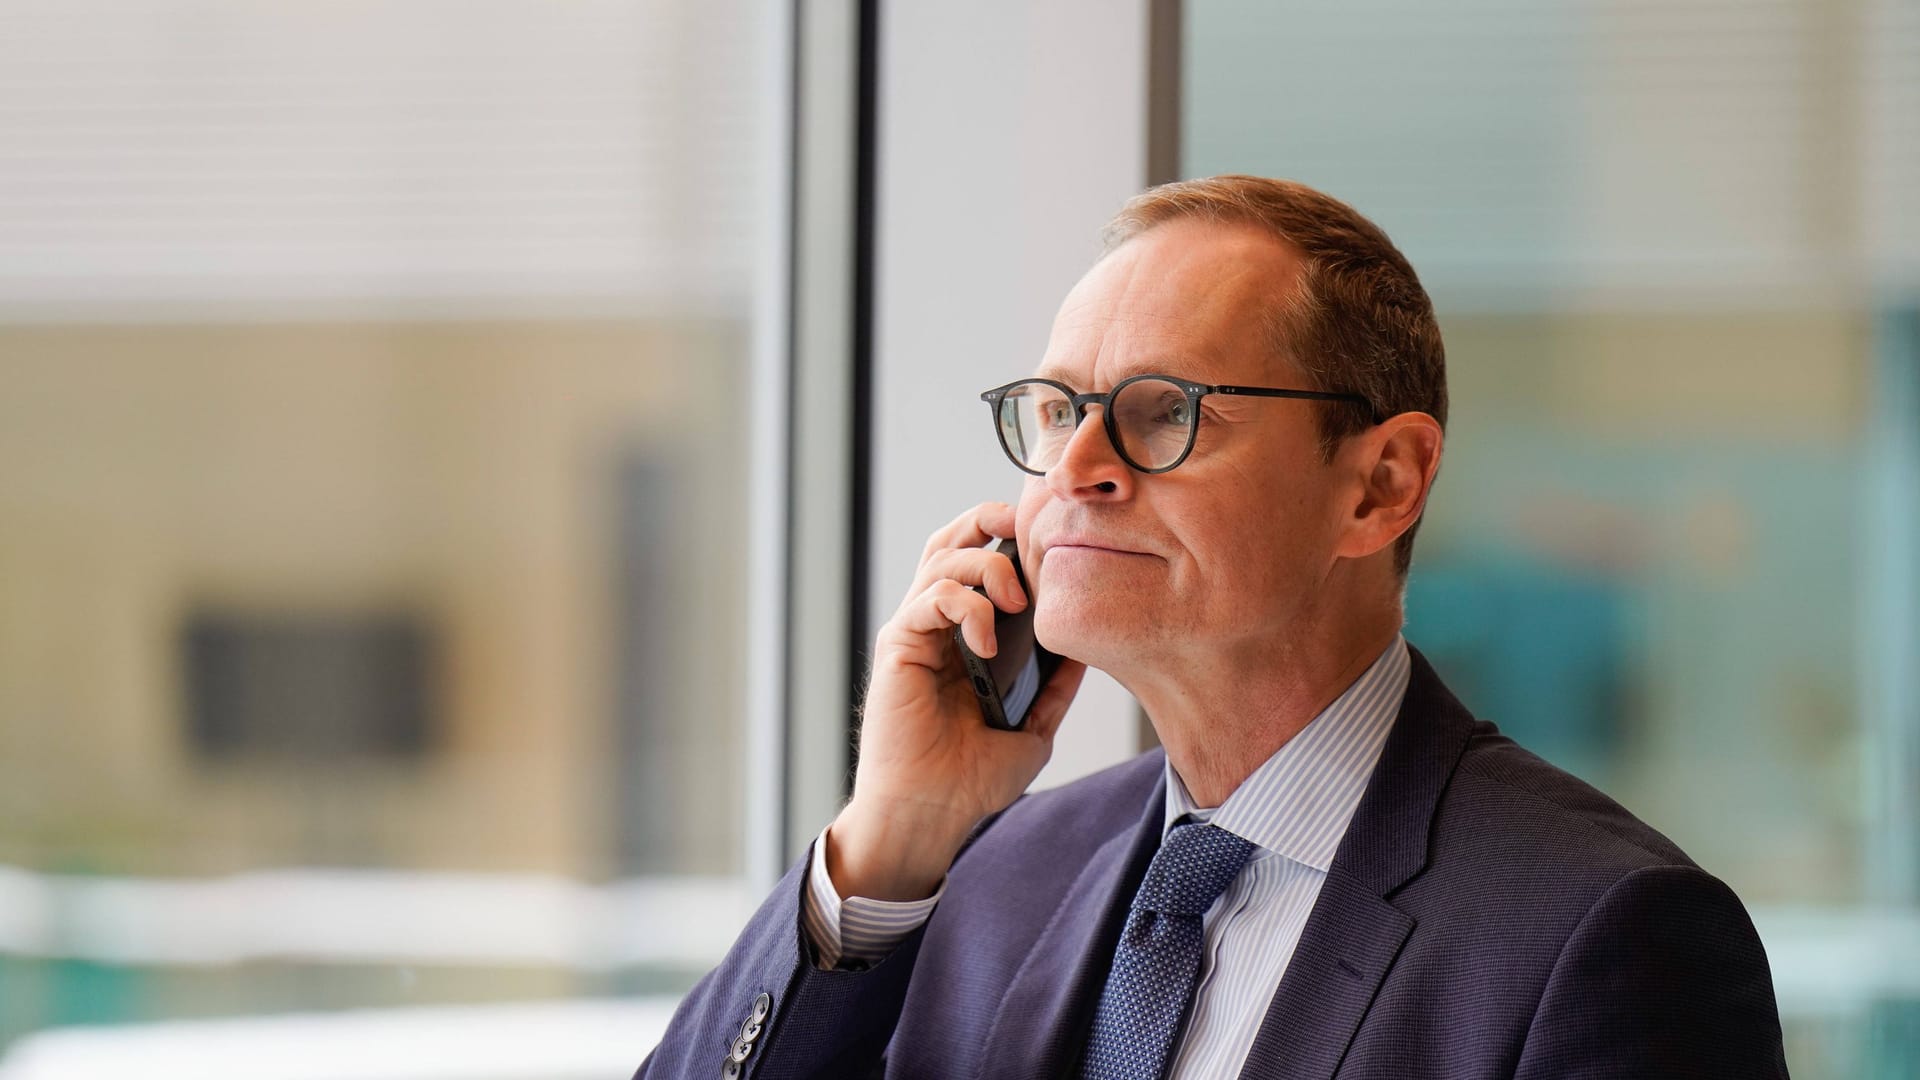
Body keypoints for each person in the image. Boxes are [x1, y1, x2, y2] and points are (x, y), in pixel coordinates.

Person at [637, 175, 1789, 1079]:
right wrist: (892, 836)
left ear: (1380, 484)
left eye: (1162, 414)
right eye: (1057, 411)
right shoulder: (989, 877)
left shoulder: (1600, 937)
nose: (1077, 467)